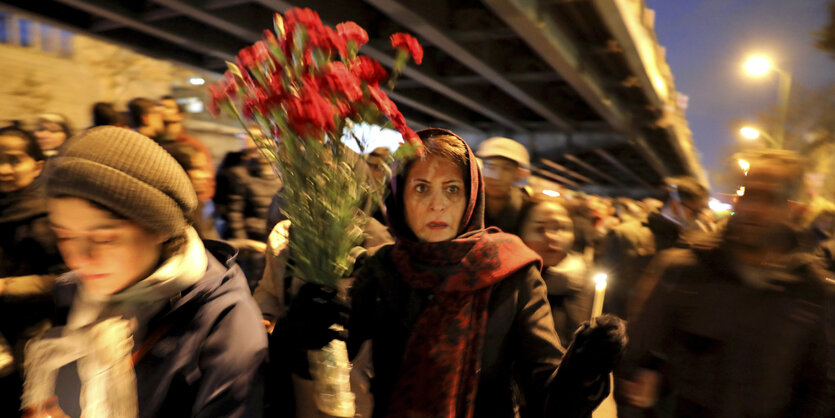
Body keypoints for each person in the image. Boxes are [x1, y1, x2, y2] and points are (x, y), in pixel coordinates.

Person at [288, 128, 626, 417]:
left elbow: (547, 399)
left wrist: (584, 368)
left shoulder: (510, 273)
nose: (438, 204)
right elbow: (328, 366)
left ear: (470, 197)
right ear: (399, 196)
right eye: (421, 188)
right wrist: (305, 329)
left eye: (452, 189)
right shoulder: (378, 269)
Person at [21, 126, 267, 417]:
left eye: (104, 238)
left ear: (160, 229)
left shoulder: (224, 327)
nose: (79, 259)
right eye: (64, 236)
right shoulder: (76, 293)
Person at [616, 150, 832, 417]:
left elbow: (820, 387)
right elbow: (633, 368)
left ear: (796, 210)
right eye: (748, 194)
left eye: (770, 198)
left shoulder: (811, 290)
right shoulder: (683, 270)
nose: (753, 208)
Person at [0, 127, 65, 416]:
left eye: (14, 160)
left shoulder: (49, 215)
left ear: (37, 166)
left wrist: (7, 286)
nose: (3, 169)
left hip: (35, 328)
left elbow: (67, 277)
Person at [597, 176, 708, 319]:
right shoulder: (625, 234)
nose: (694, 219)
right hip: (625, 326)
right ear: (675, 205)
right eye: (694, 212)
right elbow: (604, 292)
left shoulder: (689, 243)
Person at [517, 194, 593, 346]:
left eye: (560, 228)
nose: (550, 236)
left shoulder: (589, 283)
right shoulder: (510, 284)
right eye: (539, 228)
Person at [159, 96, 215, 201]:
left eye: (168, 107)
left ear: (179, 116)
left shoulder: (192, 145)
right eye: (160, 106)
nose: (161, 110)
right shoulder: (156, 141)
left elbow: (205, 183)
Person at [164, 143, 221, 241]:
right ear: (180, 172)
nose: (206, 175)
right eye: (197, 169)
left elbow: (212, 244)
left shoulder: (200, 205)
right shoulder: (168, 218)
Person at [476, 136, 531, 235]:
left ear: (517, 174)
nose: (497, 176)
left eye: (507, 169)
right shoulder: (467, 202)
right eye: (490, 167)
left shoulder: (527, 209)